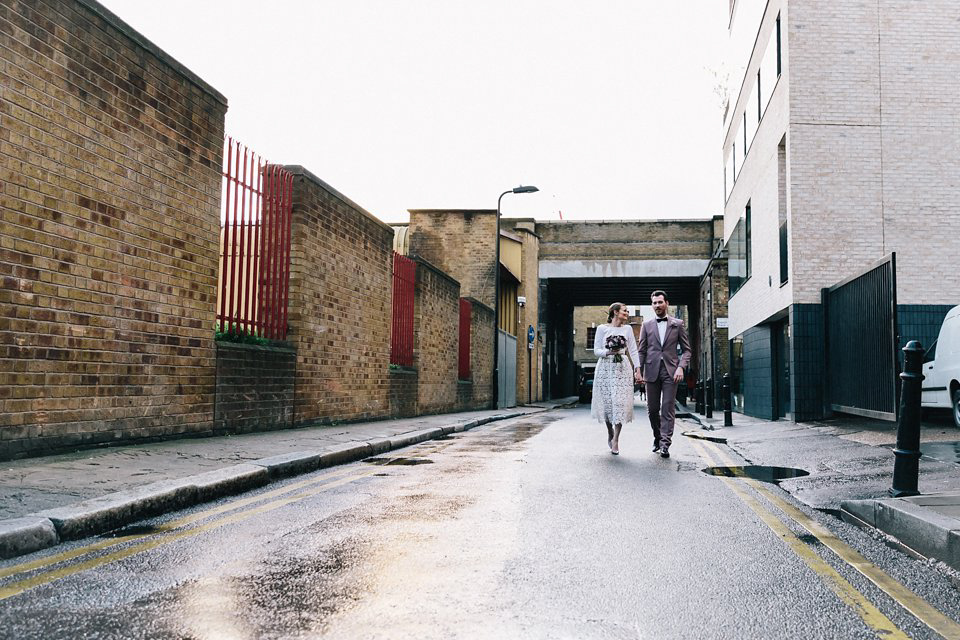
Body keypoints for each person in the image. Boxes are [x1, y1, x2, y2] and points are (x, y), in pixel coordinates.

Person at [637, 290, 692, 459]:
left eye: (660, 302)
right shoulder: (646, 325)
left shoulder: (678, 324)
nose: (657, 305)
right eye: (654, 303)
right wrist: (638, 370)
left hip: (671, 371)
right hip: (651, 371)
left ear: (666, 303)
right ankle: (657, 436)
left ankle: (665, 444)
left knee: (667, 407)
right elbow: (642, 350)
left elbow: (687, 350)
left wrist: (681, 367)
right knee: (653, 410)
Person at [591, 302, 643, 455]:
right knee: (607, 402)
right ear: (615, 312)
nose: (627, 313)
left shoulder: (627, 329)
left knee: (620, 403)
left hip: (622, 368)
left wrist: (637, 369)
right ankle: (609, 432)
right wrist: (608, 352)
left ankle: (616, 440)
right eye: (624, 311)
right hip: (605, 367)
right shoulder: (602, 329)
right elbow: (596, 350)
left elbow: (633, 350)